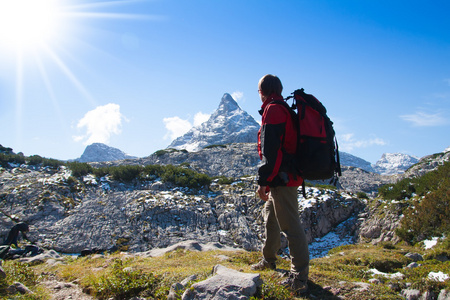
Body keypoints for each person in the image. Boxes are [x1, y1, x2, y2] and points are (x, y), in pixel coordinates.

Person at [251, 74, 310, 295]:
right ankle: (268, 260)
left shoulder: (273, 110)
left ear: (262, 91)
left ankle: (299, 278)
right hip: (283, 177)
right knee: (270, 218)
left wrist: (263, 182)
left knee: (290, 227)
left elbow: (271, 152)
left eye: (258, 91)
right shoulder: (281, 107)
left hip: (282, 179)